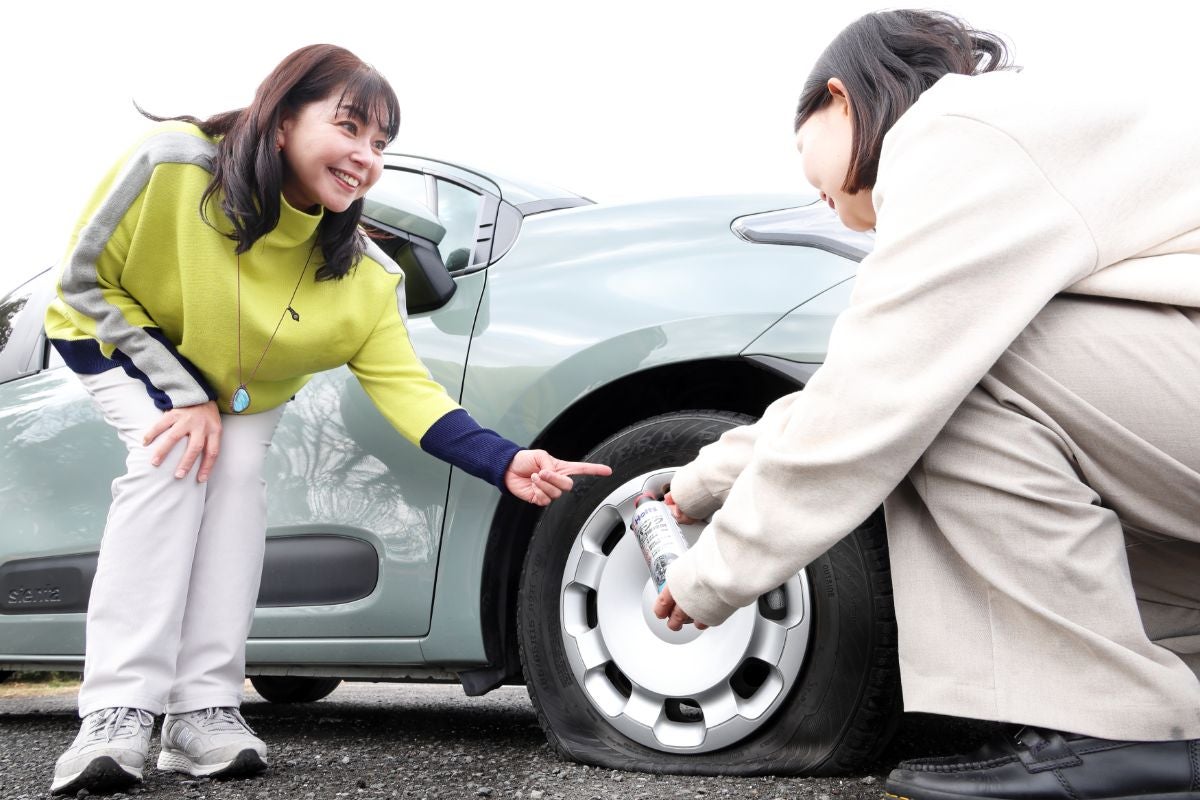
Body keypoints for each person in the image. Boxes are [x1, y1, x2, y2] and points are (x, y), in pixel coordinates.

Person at [653, 9, 1200, 799]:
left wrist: (715, 573)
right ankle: (1170, 700)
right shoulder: (1019, 135)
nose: (813, 190)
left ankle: (1122, 728)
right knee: (952, 364)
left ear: (841, 100)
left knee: (950, 380)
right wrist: (705, 479)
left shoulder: (954, 128)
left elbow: (877, 391)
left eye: (802, 149)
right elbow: (865, 376)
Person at [43, 44, 610, 796]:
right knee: (170, 462)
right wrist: (182, 395)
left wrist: (507, 461)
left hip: (240, 394)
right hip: (114, 340)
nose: (365, 157)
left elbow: (411, 392)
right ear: (281, 120)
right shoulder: (173, 163)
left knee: (238, 482)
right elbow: (82, 284)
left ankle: (201, 709)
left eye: (381, 145)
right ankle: (116, 711)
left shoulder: (365, 275)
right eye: (349, 128)